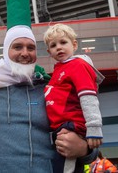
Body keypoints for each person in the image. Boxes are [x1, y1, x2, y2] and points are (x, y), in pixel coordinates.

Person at [0, 0, 96, 173]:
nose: (25, 53)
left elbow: (87, 132)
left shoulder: (51, 89)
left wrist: (84, 149)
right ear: (5, 51)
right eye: (17, 47)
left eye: (31, 47)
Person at [43, 23, 104, 172]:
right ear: (49, 52)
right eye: (53, 45)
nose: (58, 47)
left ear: (74, 44)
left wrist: (94, 127)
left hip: (70, 127)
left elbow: (88, 96)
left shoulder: (77, 65)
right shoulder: (58, 70)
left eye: (63, 42)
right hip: (61, 129)